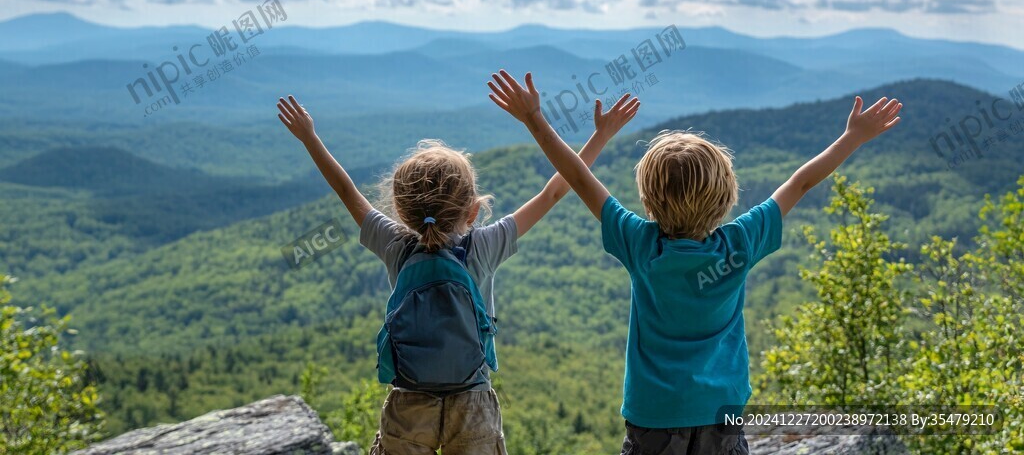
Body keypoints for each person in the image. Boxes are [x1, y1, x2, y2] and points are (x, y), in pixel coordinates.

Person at [486, 70, 902, 455]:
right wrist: (852, 137)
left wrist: (535, 119)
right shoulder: (740, 243)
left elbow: (576, 177)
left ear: (648, 198)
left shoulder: (641, 244)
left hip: (653, 415)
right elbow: (801, 181)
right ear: (726, 196)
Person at [275, 92, 640, 454]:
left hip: (409, 399)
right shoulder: (484, 246)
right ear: (473, 211)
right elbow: (553, 193)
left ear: (402, 212)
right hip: (473, 400)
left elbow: (346, 190)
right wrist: (601, 135)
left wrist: (309, 136)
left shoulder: (396, 245)